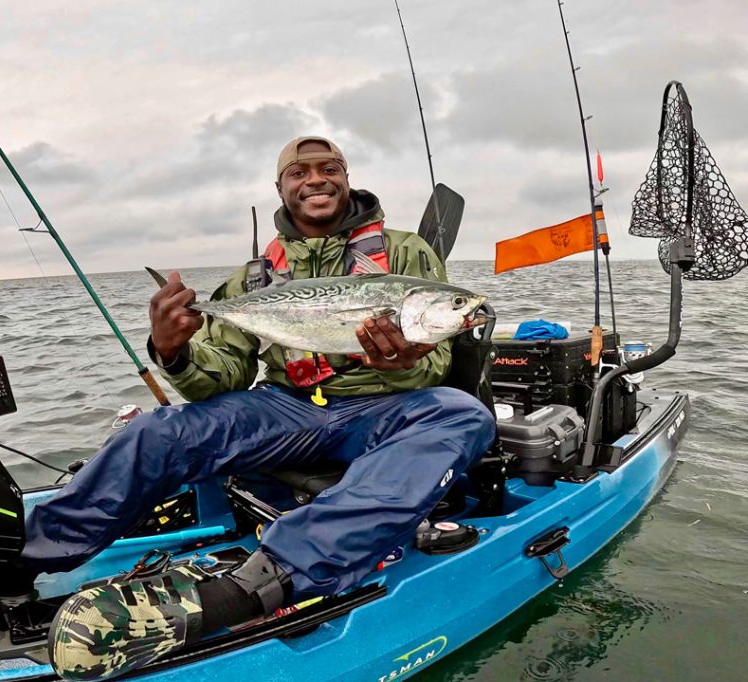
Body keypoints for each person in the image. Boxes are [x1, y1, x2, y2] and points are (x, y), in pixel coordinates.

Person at [25, 137, 496, 681]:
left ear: (347, 178)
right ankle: (31, 554)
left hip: (388, 407)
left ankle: (265, 581)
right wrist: (173, 352)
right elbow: (221, 377)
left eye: (330, 168)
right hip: (288, 406)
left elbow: (435, 362)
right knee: (159, 431)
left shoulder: (407, 251)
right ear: (282, 187)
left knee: (462, 413)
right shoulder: (252, 280)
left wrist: (401, 365)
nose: (316, 179)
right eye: (301, 171)